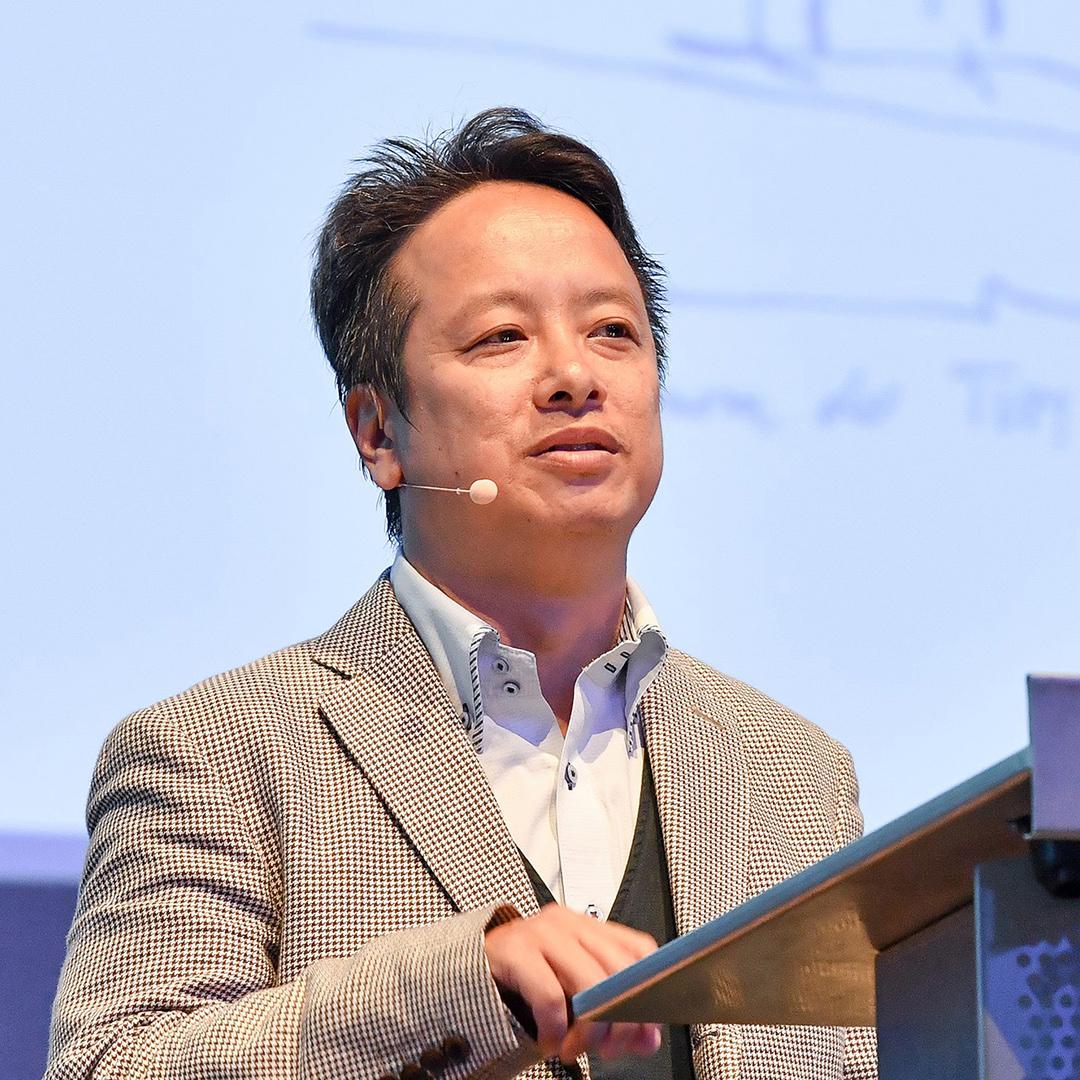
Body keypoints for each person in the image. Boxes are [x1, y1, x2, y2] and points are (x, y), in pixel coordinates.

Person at [46, 108, 876, 1080]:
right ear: (377, 433)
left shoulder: (792, 775)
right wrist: (460, 984)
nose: (575, 375)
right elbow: (114, 1064)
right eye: (501, 337)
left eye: (614, 331)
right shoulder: (217, 751)